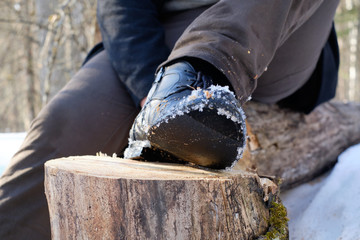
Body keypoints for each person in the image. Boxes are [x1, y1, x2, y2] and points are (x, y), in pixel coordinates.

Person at [0, 0, 340, 238]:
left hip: (282, 30)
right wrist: (150, 87)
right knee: (66, 122)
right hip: (166, 30)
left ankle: (199, 74)